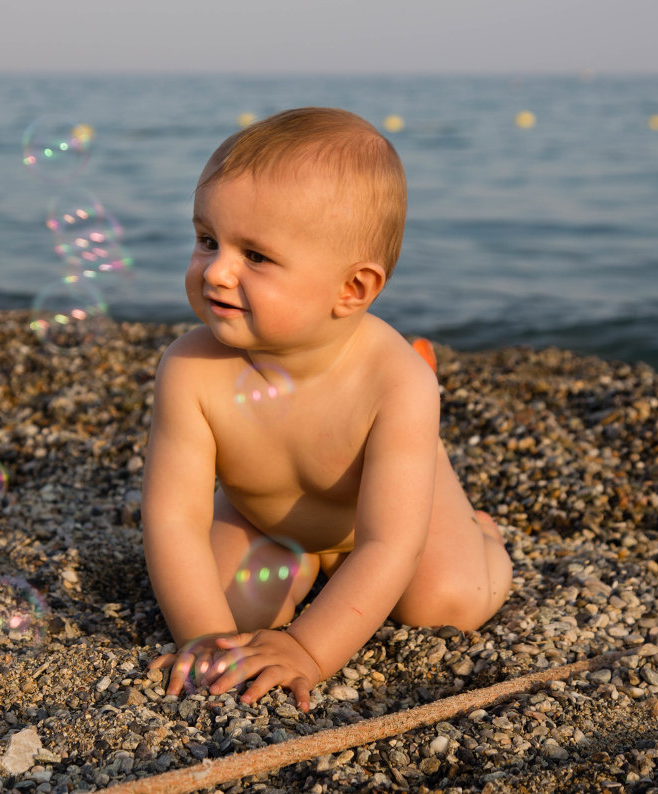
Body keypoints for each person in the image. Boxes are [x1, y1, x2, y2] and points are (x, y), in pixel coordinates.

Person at [142, 107, 512, 712]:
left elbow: (390, 543)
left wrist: (308, 651)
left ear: (353, 289)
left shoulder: (396, 381)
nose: (217, 270)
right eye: (208, 240)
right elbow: (172, 520)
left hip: (392, 520)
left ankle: (483, 535)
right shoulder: (189, 369)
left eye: (255, 256)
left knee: (447, 604)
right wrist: (204, 639)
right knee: (231, 612)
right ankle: (309, 562)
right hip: (269, 520)